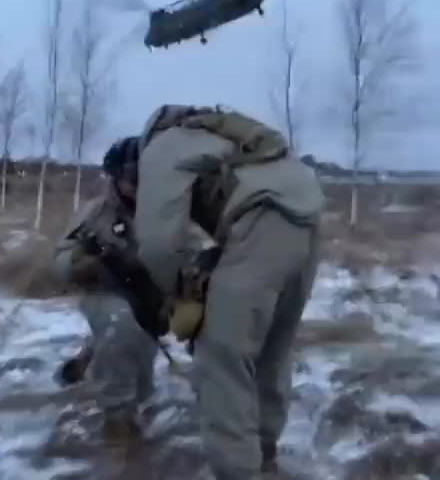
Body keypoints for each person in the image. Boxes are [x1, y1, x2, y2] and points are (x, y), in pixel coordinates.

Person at [98, 104, 325, 480]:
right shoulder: (213, 134)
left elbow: (157, 244)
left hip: (261, 221)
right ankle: (264, 455)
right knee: (272, 347)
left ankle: (239, 471)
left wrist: (181, 296)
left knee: (221, 355)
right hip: (309, 218)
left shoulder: (160, 148)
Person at [53, 138, 158, 445]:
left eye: (145, 178)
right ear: (116, 178)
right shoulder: (97, 213)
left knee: (143, 373)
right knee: (121, 325)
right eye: (132, 179)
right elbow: (61, 257)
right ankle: (117, 422)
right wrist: (78, 264)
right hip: (103, 292)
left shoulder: (167, 210)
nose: (138, 186)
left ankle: (93, 361)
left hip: (147, 295)